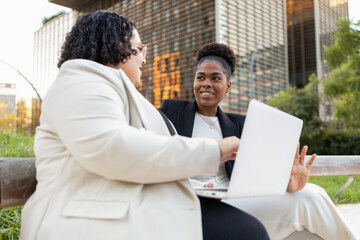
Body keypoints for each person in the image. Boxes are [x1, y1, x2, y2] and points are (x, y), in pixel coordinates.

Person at [19, 11, 269, 240]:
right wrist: (216, 150)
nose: (144, 59)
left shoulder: (116, 91)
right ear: (114, 44)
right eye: (138, 49)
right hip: (86, 218)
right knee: (247, 232)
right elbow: (113, 148)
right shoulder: (81, 79)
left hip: (131, 204)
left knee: (258, 224)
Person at [160, 42, 357, 240]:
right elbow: (160, 155)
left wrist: (286, 184)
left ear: (228, 86)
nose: (206, 83)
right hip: (190, 201)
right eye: (200, 77)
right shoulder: (171, 112)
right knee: (310, 201)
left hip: (233, 200)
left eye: (215, 78)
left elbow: (256, 173)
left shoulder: (240, 124)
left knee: (311, 194)